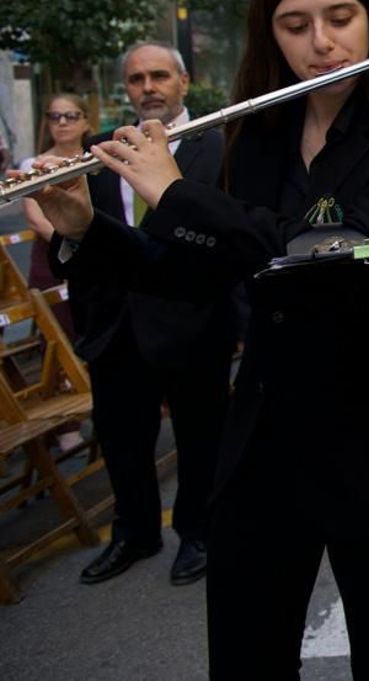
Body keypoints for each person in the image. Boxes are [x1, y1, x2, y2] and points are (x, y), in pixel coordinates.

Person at [32, 0, 369, 675]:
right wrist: (85, 226)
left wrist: (175, 194)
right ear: (268, 32)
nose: (322, 43)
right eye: (295, 26)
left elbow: (337, 258)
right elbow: (193, 273)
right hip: (268, 436)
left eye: (339, 17)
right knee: (245, 656)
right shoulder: (254, 135)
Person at [29, 49, 237, 589]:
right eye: (137, 78)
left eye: (160, 76)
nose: (149, 87)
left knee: (199, 437)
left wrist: (235, 320)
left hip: (194, 323)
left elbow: (234, 237)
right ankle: (135, 531)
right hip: (116, 328)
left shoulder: (217, 146)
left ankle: (197, 532)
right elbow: (85, 238)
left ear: (184, 81)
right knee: (123, 438)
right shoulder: (104, 154)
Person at [19, 93, 93, 331]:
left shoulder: (98, 159)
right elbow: (37, 221)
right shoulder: (33, 165)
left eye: (71, 116)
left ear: (86, 122)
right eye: (55, 117)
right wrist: (79, 250)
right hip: (53, 259)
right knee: (60, 333)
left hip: (101, 258)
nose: (62, 123)